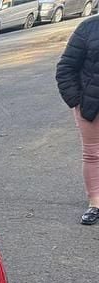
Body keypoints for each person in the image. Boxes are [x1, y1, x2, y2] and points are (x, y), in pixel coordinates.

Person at [56, 16, 99, 225]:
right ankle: (95, 203)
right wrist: (77, 102)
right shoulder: (88, 28)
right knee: (93, 154)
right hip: (92, 106)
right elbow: (65, 68)